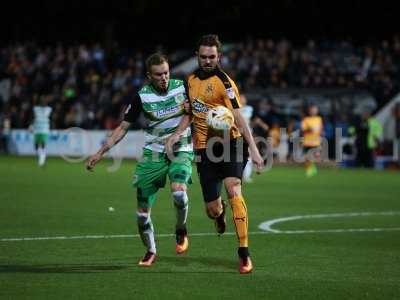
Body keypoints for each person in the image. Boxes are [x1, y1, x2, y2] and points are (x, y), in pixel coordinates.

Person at [166, 34, 264, 274]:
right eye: (203, 57)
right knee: (213, 209)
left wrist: (253, 148)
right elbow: (189, 113)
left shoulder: (225, 82)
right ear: (197, 57)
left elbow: (239, 117)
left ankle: (244, 252)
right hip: (204, 148)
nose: (208, 60)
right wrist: (177, 133)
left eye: (212, 57)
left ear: (218, 57)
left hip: (232, 143)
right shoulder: (189, 81)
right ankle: (220, 216)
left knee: (234, 190)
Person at [86, 53, 193, 267]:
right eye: (158, 74)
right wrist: (100, 153)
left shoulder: (183, 87)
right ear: (149, 76)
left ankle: (181, 228)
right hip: (152, 154)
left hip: (181, 148)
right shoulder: (141, 97)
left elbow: (193, 112)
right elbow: (122, 128)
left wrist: (180, 131)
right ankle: (151, 250)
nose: (163, 77)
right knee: (142, 214)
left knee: (179, 192)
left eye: (166, 72)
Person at [301, 104, 323, 177]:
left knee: (316, 155)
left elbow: (321, 129)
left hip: (316, 141)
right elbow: (303, 130)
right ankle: (309, 170)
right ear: (309, 111)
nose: (314, 111)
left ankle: (313, 168)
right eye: (312, 110)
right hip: (307, 141)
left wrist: (321, 134)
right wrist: (309, 129)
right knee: (307, 158)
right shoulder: (306, 119)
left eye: (315, 110)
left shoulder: (319, 119)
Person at [31, 96, 52, 167]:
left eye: (44, 101)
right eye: (42, 101)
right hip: (36, 129)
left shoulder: (49, 109)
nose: (43, 102)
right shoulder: (36, 109)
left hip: (44, 129)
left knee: (43, 145)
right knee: (36, 146)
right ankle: (42, 157)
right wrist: (31, 126)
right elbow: (33, 117)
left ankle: (41, 161)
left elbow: (52, 118)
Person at [239, 94, 254, 183]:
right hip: (237, 134)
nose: (242, 99)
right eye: (240, 98)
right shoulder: (234, 108)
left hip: (247, 134)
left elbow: (245, 118)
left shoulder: (249, 108)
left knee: (248, 155)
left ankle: (246, 176)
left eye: (243, 98)